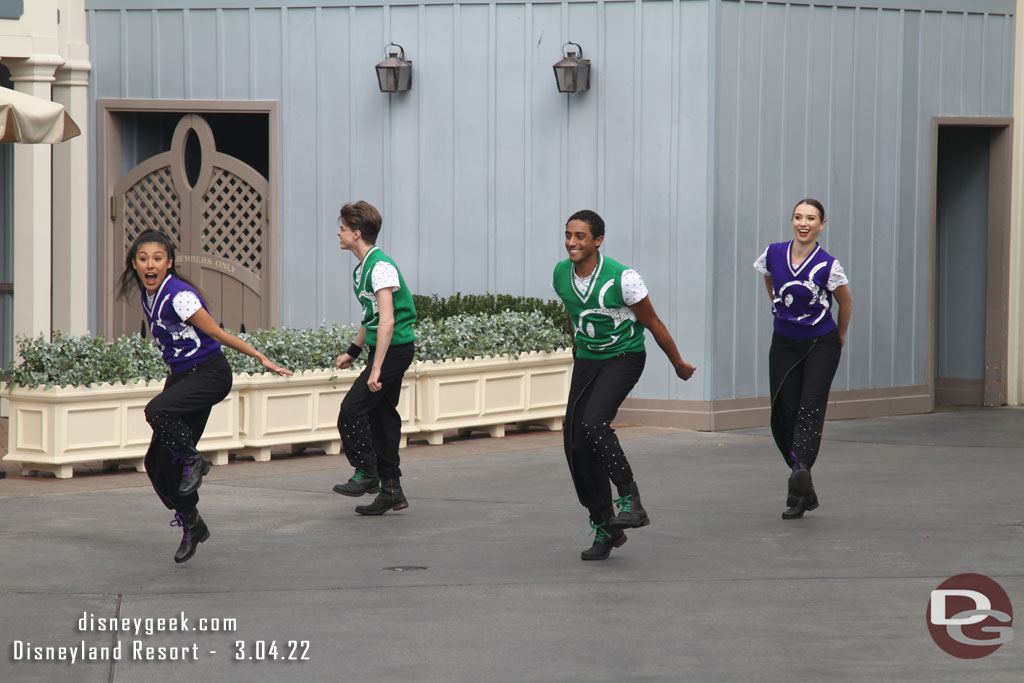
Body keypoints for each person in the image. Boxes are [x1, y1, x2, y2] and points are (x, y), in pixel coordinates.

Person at [117, 230, 291, 563]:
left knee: (156, 411)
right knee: (157, 462)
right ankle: (193, 523)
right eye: (143, 258)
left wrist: (260, 357)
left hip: (209, 375)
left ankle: (195, 459)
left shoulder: (180, 296)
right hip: (183, 379)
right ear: (135, 264)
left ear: (169, 263)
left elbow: (217, 333)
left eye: (157, 258)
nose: (150, 264)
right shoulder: (147, 295)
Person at [553, 210, 696, 561]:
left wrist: (678, 363)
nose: (572, 242)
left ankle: (631, 500)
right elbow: (574, 316)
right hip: (588, 360)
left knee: (594, 423)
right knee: (574, 442)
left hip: (624, 358)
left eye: (580, 236)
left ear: (597, 241)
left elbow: (653, 322)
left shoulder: (624, 279)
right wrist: (578, 354)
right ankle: (605, 526)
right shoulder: (560, 274)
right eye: (568, 235)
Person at [753, 198, 852, 519]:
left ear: (822, 225)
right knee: (783, 413)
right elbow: (769, 279)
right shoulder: (773, 253)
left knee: (809, 409)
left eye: (811, 218)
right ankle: (804, 485)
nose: (803, 223)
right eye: (798, 217)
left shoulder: (828, 265)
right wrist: (779, 306)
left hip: (821, 343)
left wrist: (839, 336)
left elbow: (845, 302)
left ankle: (799, 475)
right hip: (784, 342)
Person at [331, 201, 417, 515]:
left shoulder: (381, 267)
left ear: (356, 233)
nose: (338, 233)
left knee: (352, 409)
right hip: (383, 349)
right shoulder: (362, 268)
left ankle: (367, 473)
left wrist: (376, 367)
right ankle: (392, 490)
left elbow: (388, 320)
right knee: (382, 418)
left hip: (394, 351)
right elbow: (372, 318)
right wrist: (353, 352)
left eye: (342, 228)